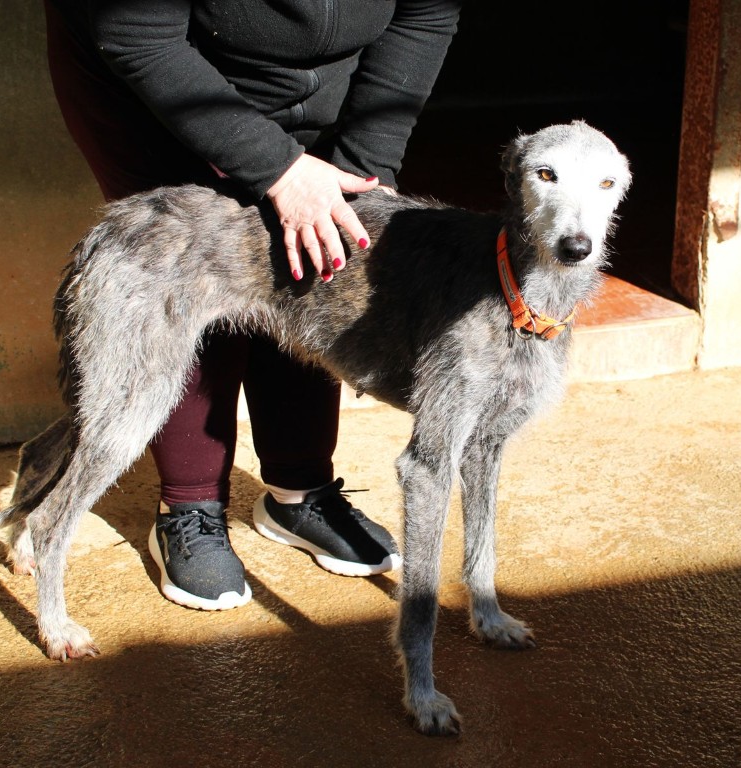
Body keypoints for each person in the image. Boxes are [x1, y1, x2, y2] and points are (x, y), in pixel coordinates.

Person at [44, 0, 461, 610]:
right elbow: (137, 33)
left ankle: (300, 490)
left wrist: (364, 167)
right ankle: (189, 506)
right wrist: (279, 171)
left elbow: (424, 15)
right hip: (154, 76)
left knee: (318, 252)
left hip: (319, 81)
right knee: (186, 274)